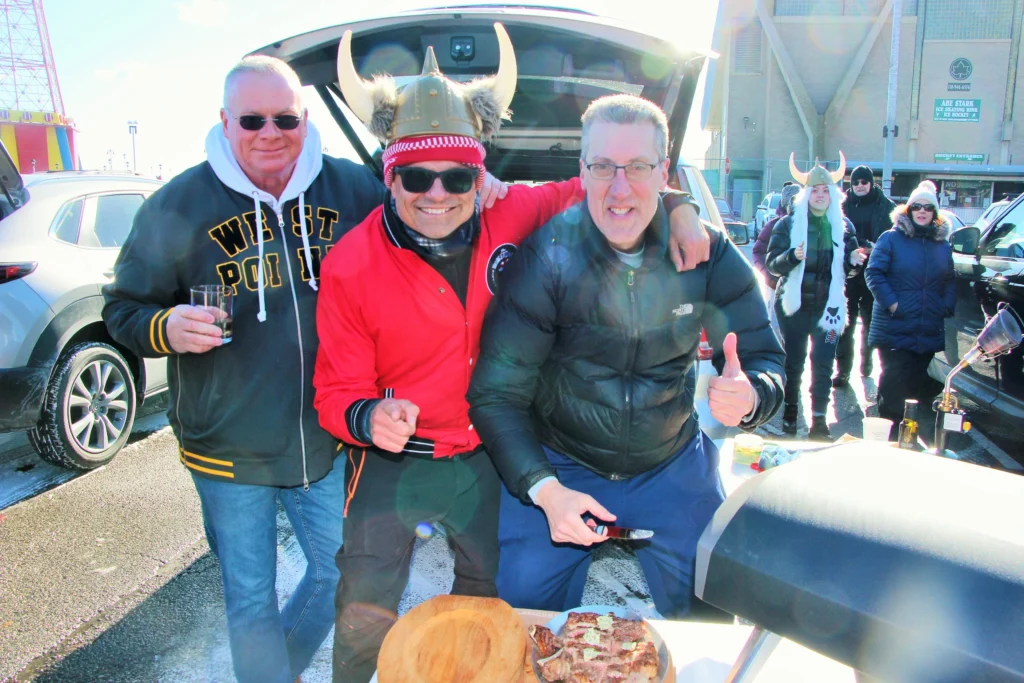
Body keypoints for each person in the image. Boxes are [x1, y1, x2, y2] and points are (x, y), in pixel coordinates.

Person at [315, 26, 708, 683]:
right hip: (394, 462)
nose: (436, 194)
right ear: (390, 175)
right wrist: (364, 417)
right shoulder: (352, 262)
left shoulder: (512, 211)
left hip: (486, 453)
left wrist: (682, 204)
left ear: (479, 171)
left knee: (489, 600)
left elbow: (614, 189)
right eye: (416, 175)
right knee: (363, 605)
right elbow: (335, 391)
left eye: (456, 175)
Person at [466, 94, 785, 620]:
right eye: (602, 167)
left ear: (664, 171)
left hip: (671, 464)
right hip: (565, 460)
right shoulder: (547, 257)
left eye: (638, 166)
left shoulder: (705, 254)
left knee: (714, 605)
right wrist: (543, 490)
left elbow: (766, 356)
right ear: (582, 171)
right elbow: (497, 393)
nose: (620, 187)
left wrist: (753, 397)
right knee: (521, 612)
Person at [766, 154, 858, 440]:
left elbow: (847, 271)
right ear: (806, 195)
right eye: (815, 190)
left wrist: (853, 261)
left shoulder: (843, 227)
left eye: (825, 190)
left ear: (833, 194)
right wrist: (792, 256)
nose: (820, 195)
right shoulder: (787, 225)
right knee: (794, 362)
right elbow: (772, 263)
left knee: (824, 363)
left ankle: (820, 420)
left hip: (828, 310)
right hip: (794, 308)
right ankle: (791, 414)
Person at [865, 182, 955, 438]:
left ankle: (909, 441)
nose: (923, 211)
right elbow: (874, 272)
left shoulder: (941, 245)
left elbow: (949, 279)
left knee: (916, 394)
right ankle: (886, 439)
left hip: (926, 329)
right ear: (909, 209)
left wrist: (946, 306)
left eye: (929, 207)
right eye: (917, 206)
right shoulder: (891, 238)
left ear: (935, 213)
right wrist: (893, 304)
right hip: (896, 327)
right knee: (893, 389)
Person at [833, 165, 896, 386]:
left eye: (864, 182)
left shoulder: (886, 206)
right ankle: (842, 370)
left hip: (875, 272)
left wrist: (874, 248)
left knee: (871, 322)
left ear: (871, 183)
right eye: (856, 182)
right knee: (844, 324)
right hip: (846, 272)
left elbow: (893, 237)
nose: (860, 186)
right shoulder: (840, 204)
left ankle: (867, 361)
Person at [752, 182, 800, 290]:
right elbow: (758, 251)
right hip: (775, 288)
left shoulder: (808, 225)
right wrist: (770, 278)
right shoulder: (773, 226)